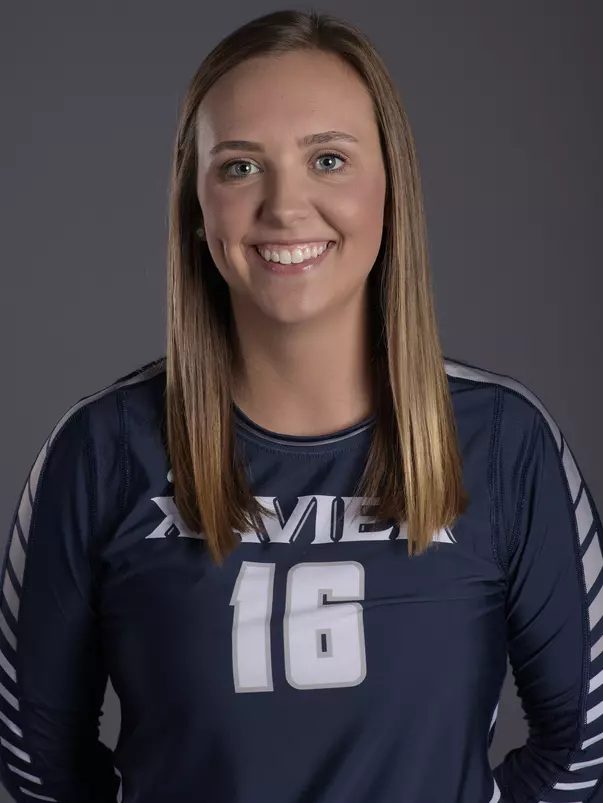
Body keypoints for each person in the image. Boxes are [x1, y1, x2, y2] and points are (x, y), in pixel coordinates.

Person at [0, 8, 601, 803]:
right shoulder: (101, 448)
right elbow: (38, 761)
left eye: (327, 159)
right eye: (240, 167)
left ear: (392, 182)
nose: (285, 206)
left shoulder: (504, 442)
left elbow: (581, 747)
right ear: (195, 199)